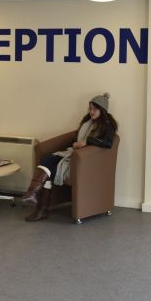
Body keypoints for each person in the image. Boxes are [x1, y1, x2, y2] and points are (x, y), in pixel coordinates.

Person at [21, 92, 118, 222]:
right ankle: (32, 195)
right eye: (90, 108)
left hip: (86, 161)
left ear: (102, 110)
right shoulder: (87, 122)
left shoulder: (107, 125)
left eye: (94, 109)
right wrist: (77, 144)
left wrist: (87, 142)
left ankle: (39, 206)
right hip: (73, 152)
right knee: (47, 160)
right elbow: (77, 136)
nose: (91, 111)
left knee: (51, 169)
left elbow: (108, 143)